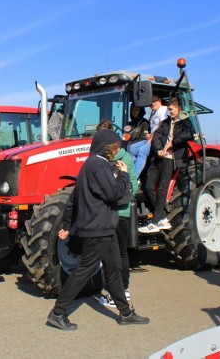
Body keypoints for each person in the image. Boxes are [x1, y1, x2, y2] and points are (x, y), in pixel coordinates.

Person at [47, 129, 149, 331]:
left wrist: (68, 224)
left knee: (113, 269)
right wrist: (123, 176)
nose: (117, 151)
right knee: (84, 271)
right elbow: (114, 194)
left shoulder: (88, 165)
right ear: (107, 148)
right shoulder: (98, 164)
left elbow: (74, 199)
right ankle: (58, 313)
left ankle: (126, 313)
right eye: (116, 147)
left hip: (103, 227)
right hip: (98, 228)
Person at [96, 121, 138, 308]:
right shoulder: (126, 157)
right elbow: (133, 186)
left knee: (113, 255)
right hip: (123, 211)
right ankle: (124, 290)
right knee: (121, 253)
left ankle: (119, 293)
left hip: (112, 212)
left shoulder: (105, 160)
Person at [140, 98, 194, 233]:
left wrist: (173, 143)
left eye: (171, 109)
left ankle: (156, 220)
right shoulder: (164, 124)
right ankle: (162, 217)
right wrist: (158, 149)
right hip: (159, 157)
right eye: (168, 109)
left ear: (178, 109)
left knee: (163, 187)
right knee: (148, 186)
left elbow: (189, 134)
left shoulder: (185, 123)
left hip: (171, 158)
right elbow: (157, 137)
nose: (169, 112)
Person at [127, 106, 151, 176]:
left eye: (136, 110)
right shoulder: (129, 124)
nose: (134, 112)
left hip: (143, 142)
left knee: (129, 149)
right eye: (133, 110)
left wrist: (130, 143)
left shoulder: (145, 123)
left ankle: (134, 177)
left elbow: (144, 137)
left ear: (141, 111)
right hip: (131, 144)